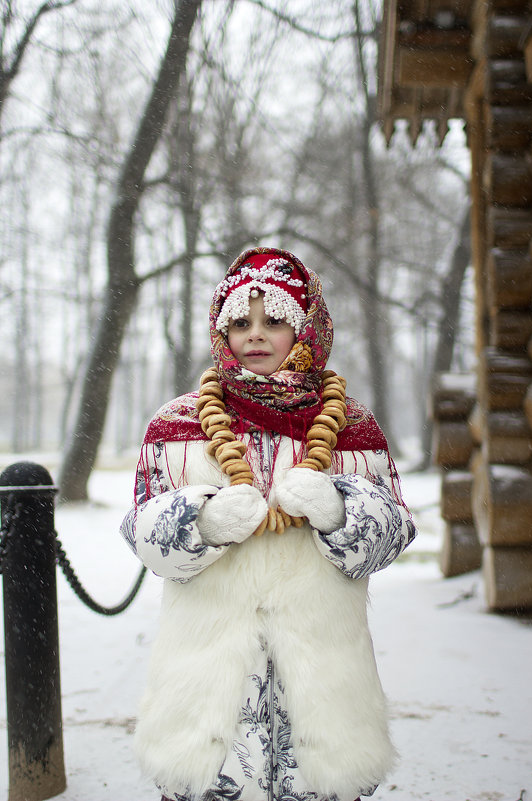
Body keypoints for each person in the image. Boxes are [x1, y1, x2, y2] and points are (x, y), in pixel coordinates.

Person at [120, 246, 417, 801]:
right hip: (205, 694)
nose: (254, 334)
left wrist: (338, 510)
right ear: (220, 331)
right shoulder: (177, 425)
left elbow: (395, 531)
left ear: (306, 330)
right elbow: (141, 533)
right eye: (240, 322)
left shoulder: (352, 426)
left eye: (274, 320)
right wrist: (199, 522)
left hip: (324, 693)